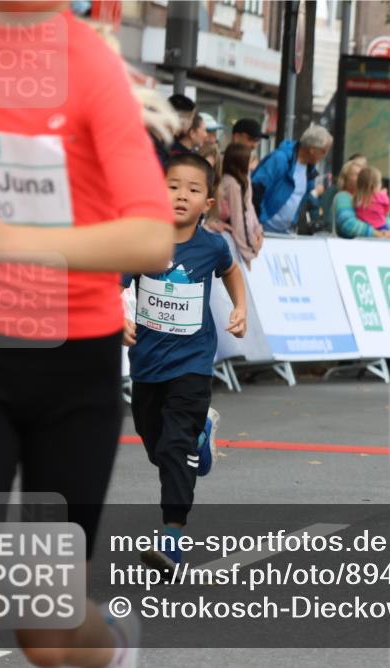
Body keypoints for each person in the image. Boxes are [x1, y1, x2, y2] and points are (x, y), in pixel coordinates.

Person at [0, 2, 175, 666]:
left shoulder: (91, 68)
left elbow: (151, 239)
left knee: (46, 633)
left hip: (73, 370)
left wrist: (6, 238)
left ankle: (112, 650)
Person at [123, 154, 247, 570]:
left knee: (174, 449)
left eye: (193, 190)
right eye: (173, 186)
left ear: (207, 203)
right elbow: (114, 283)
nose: (181, 195)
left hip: (192, 363)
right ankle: (200, 437)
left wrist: (240, 307)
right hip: (146, 363)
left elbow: (231, 270)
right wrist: (116, 314)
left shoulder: (211, 244)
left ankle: (171, 538)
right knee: (157, 443)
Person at [250, 124, 332, 235]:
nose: (325, 155)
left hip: (285, 232)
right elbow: (255, 188)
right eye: (324, 151)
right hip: (262, 230)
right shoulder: (279, 159)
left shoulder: (309, 170)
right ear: (312, 150)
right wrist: (259, 221)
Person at [218, 142, 264, 265]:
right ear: (241, 161)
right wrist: (249, 250)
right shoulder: (232, 184)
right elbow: (238, 219)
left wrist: (258, 230)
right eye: (250, 159)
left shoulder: (244, 179)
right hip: (236, 244)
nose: (253, 162)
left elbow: (249, 208)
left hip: (246, 241)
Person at [331, 157, 390, 238]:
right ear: (345, 179)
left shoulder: (370, 197)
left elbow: (384, 217)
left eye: (362, 174)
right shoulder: (343, 197)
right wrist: (376, 233)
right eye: (356, 174)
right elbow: (348, 224)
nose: (361, 177)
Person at [353, 165, 390, 231]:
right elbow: (387, 212)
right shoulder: (382, 196)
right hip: (381, 227)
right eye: (380, 182)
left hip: (364, 228)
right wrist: (384, 195)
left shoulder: (357, 197)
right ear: (373, 186)